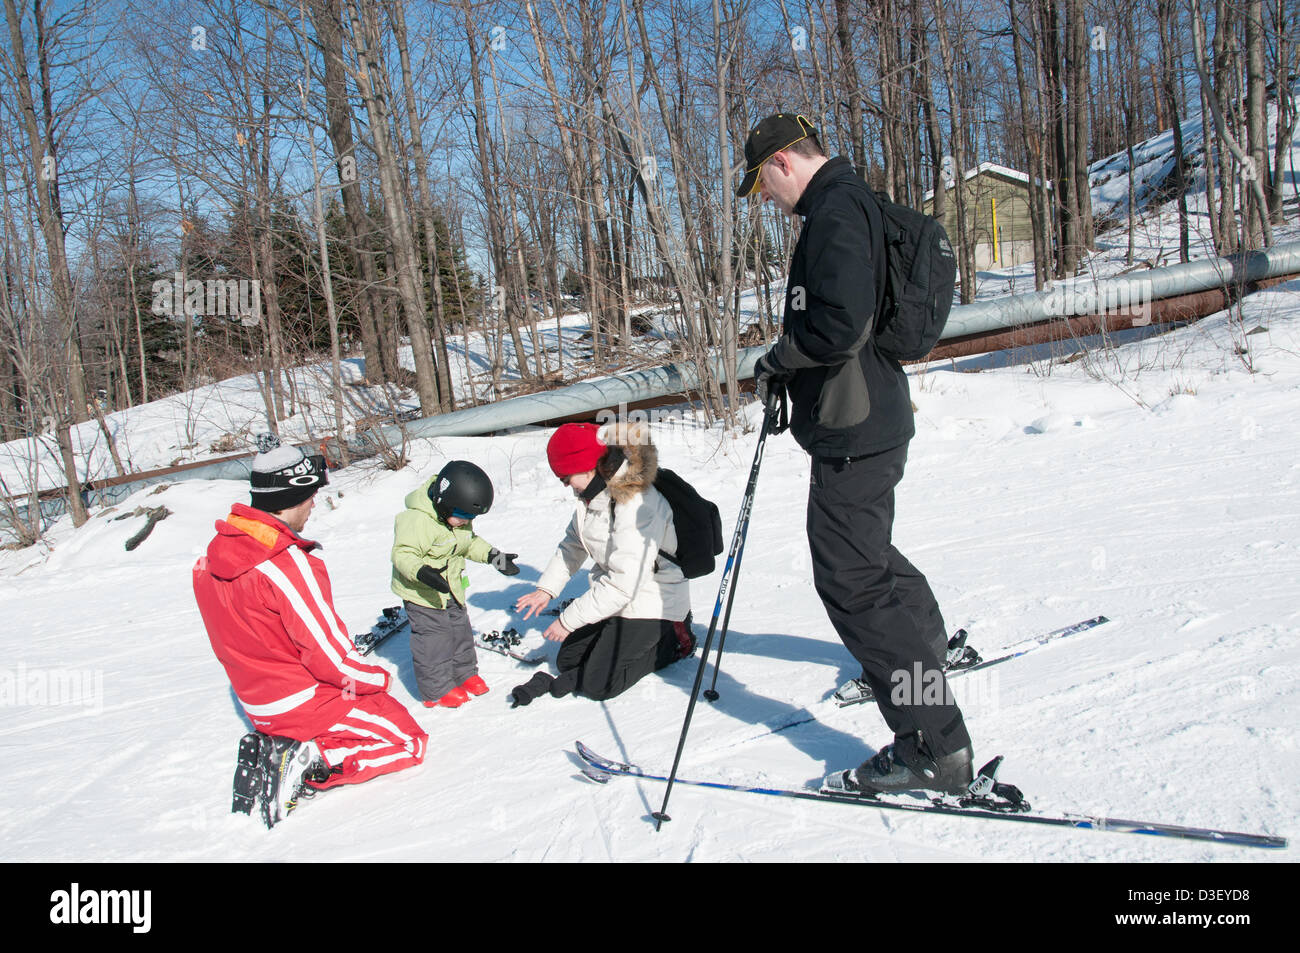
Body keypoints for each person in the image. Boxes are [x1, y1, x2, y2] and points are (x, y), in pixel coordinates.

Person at [739, 113, 974, 795]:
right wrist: (792, 366)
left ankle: (933, 741)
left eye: (762, 185)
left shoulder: (836, 208)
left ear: (782, 161)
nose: (766, 200)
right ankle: (925, 651)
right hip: (867, 418)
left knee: (851, 578)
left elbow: (840, 321)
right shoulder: (847, 200)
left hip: (855, 425)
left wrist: (782, 355)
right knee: (867, 560)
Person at [193, 435, 427, 826]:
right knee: (408, 740)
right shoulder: (283, 563)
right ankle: (310, 762)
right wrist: (375, 679)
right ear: (292, 496)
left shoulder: (213, 557)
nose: (315, 503)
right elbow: (328, 655)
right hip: (302, 700)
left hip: (258, 703)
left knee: (363, 708)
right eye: (310, 495)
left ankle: (292, 743)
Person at [510, 421, 696, 706]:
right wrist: (546, 589)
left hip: (655, 602)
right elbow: (574, 543)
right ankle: (599, 659)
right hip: (618, 599)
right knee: (568, 658)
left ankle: (676, 639)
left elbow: (624, 584)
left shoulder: (635, 502)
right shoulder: (591, 495)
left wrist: (567, 619)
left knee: (598, 683)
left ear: (588, 466)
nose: (565, 484)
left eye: (565, 476)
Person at [390, 460, 520, 709]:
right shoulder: (417, 520)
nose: (467, 521)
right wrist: (422, 572)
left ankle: (464, 673)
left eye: (471, 517)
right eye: (463, 516)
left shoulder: (455, 517)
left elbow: (468, 543)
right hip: (422, 594)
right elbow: (402, 555)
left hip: (451, 588)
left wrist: (494, 556)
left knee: (460, 630)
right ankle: (436, 689)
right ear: (443, 502)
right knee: (434, 640)